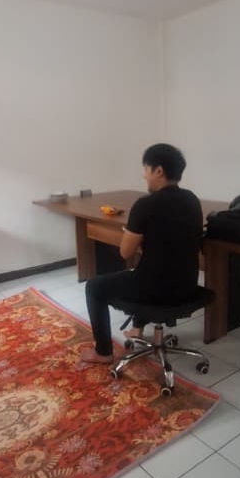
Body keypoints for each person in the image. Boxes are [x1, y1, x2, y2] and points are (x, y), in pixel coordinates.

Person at [80, 143, 204, 364]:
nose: (143, 175)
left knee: (94, 287)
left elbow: (125, 252)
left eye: (146, 169)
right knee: (148, 269)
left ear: (159, 171)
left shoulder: (145, 205)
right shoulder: (192, 200)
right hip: (187, 287)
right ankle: (137, 329)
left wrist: (132, 234)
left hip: (155, 291)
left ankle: (103, 352)